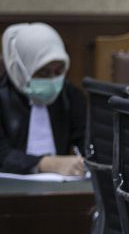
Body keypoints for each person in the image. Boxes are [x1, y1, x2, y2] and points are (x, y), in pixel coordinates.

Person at [0, 22, 86, 175]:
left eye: (59, 71)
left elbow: (87, 142)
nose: (52, 80)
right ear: (21, 69)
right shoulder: (3, 96)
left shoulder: (70, 95)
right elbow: (3, 154)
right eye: (43, 72)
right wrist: (49, 163)